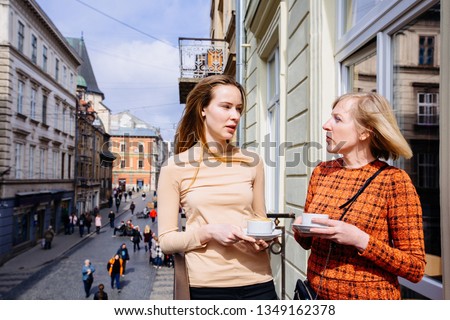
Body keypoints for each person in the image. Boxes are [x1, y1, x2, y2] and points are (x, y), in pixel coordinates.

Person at [292, 92, 426, 300]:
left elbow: (415, 268)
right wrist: (302, 229)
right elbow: (308, 243)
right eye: (331, 117)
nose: (326, 125)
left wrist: (360, 239)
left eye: (338, 119)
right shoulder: (322, 172)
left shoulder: (394, 181)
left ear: (365, 132)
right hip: (316, 297)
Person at [157, 75, 277, 300]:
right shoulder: (174, 167)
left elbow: (259, 218)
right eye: (226, 107)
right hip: (206, 286)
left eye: (239, 109)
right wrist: (208, 232)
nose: (235, 116)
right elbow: (166, 241)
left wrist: (266, 237)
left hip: (259, 280)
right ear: (203, 109)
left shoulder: (253, 161)